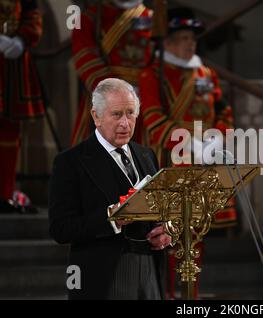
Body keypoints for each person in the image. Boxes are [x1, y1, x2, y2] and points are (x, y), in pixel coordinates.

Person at [138, 7, 236, 298]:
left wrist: (218, 139)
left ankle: (191, 295)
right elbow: (154, 120)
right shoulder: (152, 74)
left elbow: (224, 111)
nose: (190, 43)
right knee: (169, 233)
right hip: (173, 160)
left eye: (192, 37)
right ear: (166, 41)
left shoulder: (206, 73)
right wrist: (189, 144)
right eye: (182, 37)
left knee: (197, 231)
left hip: (205, 162)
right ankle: (170, 294)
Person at [49, 78, 171, 299]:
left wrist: (166, 230)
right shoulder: (70, 162)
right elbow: (61, 229)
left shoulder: (146, 155)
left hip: (150, 271)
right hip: (103, 275)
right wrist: (111, 218)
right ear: (96, 116)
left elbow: (160, 210)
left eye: (131, 113)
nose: (125, 123)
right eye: (117, 114)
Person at [70, 0, 154, 146]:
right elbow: (85, 56)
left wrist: (147, 87)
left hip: (145, 101)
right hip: (105, 98)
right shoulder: (89, 17)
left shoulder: (154, 19)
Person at [0, 0, 44, 213]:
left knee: (9, 131)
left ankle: (5, 194)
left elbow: (31, 13)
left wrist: (21, 38)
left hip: (11, 67)